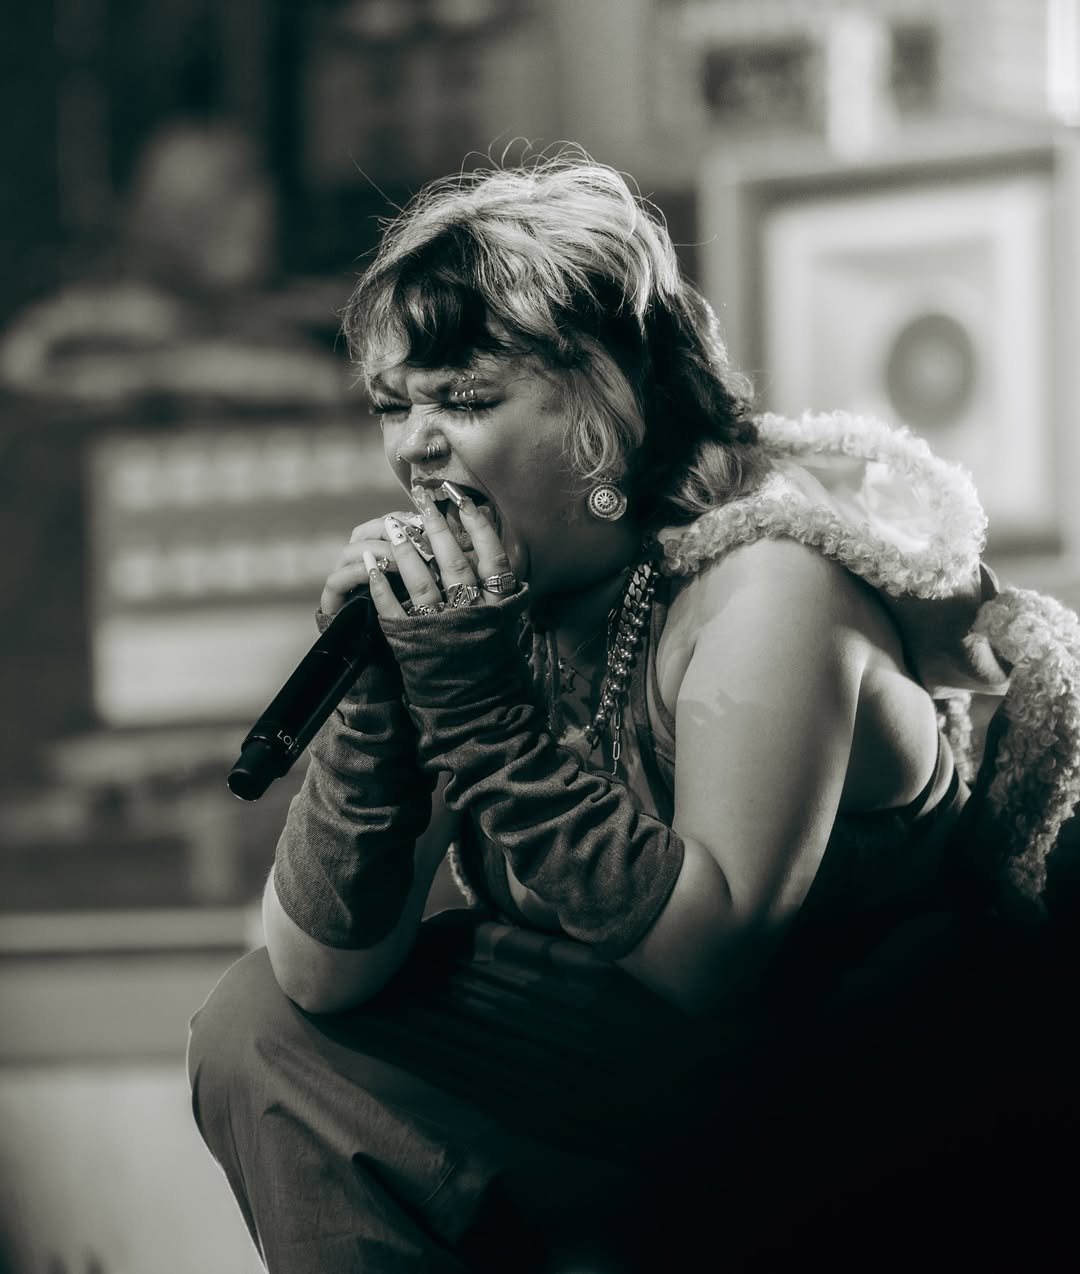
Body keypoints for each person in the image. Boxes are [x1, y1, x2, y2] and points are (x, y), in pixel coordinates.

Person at [187, 151, 1080, 1272]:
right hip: (646, 1080)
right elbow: (319, 975)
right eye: (393, 404)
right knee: (254, 1027)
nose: (416, 445)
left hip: (844, 1084)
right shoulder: (499, 603)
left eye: (467, 399)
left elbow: (705, 959)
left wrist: (477, 711)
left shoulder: (767, 582)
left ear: (606, 411)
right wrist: (381, 705)